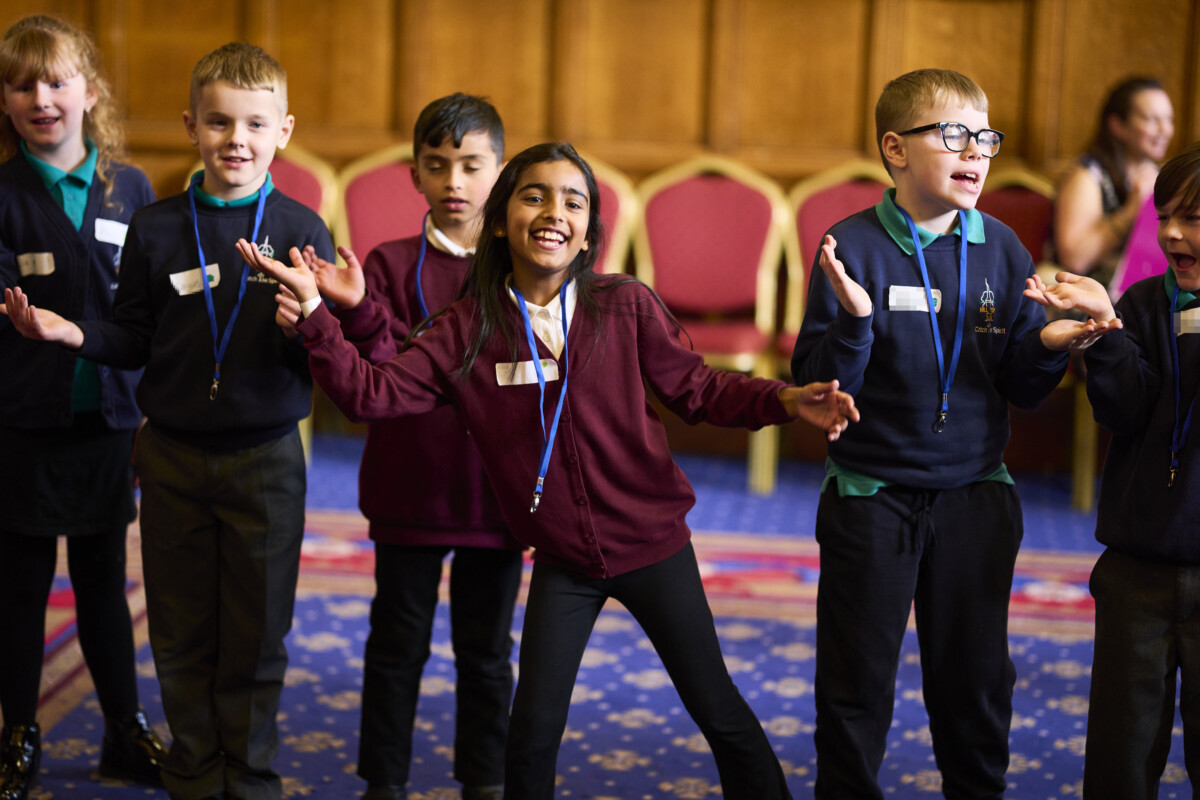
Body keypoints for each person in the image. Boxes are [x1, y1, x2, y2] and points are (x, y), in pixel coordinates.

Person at [240, 141, 858, 800]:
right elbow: (372, 394)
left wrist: (787, 399)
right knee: (531, 733)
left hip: (654, 548)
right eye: (534, 195)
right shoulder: (466, 327)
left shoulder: (624, 305)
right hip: (565, 561)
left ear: (590, 230)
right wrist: (316, 318)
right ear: (502, 219)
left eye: (574, 201)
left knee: (719, 712)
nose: (553, 212)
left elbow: (701, 390)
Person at [2, 41, 333, 800]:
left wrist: (314, 321)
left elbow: (328, 357)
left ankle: (248, 778)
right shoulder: (155, 226)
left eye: (254, 124)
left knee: (255, 636)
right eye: (218, 123)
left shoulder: (303, 228)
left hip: (266, 459)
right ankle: (191, 772)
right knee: (181, 634)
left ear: (284, 130)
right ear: (192, 126)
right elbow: (134, 337)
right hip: (174, 459)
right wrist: (71, 333)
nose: (236, 140)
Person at [790, 68, 1109, 799]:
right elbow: (820, 382)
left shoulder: (1001, 249)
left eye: (985, 136)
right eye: (955, 134)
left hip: (974, 495)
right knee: (855, 683)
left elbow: (1020, 386)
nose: (977, 151)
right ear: (895, 150)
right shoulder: (850, 246)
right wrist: (856, 322)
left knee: (975, 683)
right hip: (872, 495)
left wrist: (1051, 347)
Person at [307, 93, 518, 800]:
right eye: (438, 166)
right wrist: (361, 310)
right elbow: (388, 370)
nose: (454, 182)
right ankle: (384, 782)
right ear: (416, 176)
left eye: (470, 165)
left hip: (495, 496)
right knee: (396, 647)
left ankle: (486, 781)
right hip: (410, 488)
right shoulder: (387, 263)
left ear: (500, 172)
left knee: (487, 654)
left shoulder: (526, 264)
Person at [0, 14, 165, 799]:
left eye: (57, 80)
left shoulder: (129, 188)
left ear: (89, 91)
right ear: (5, 99)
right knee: (21, 587)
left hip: (108, 420)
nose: (41, 97)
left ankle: (124, 734)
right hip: (22, 423)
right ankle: (17, 736)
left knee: (104, 584)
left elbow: (144, 310)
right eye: (22, 83)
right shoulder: (0, 193)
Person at [1026, 141, 1200, 798]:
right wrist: (1106, 335)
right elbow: (1125, 414)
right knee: (1121, 757)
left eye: (1196, 217)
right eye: (1166, 216)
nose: (1175, 233)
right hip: (1136, 568)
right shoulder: (1145, 303)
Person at [1052, 76, 1174, 284]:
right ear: (1118, 125)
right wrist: (1132, 210)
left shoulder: (1165, 175)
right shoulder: (1088, 176)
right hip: (1085, 289)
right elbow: (1075, 260)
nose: (1165, 130)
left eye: (1169, 119)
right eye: (1152, 120)